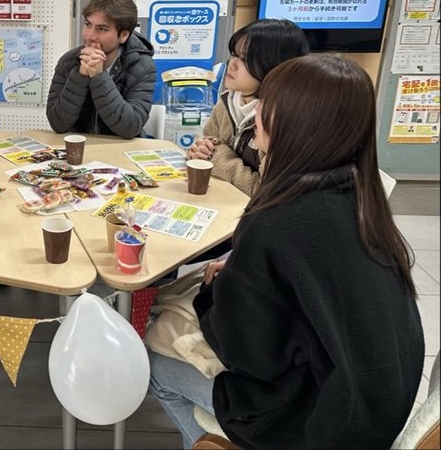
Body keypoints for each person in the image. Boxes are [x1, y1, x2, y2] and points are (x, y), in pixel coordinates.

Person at [148, 54, 425, 449]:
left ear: (295, 122)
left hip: (322, 424)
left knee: (157, 366)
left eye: (267, 102)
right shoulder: (363, 198)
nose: (257, 110)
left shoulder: (277, 218)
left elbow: (247, 355)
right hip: (379, 405)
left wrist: (215, 292)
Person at [187, 18, 309, 197]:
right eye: (233, 55)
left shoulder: (281, 119)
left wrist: (218, 157)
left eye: (244, 59)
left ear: (274, 66)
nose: (232, 64)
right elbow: (207, 147)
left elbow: (265, 192)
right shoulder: (228, 101)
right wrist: (200, 150)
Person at [46, 0, 155, 139]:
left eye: (102, 29)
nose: (90, 36)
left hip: (120, 148)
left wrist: (99, 77)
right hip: (79, 146)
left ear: (123, 36)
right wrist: (80, 76)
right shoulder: (69, 61)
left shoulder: (141, 66)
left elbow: (130, 127)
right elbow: (58, 124)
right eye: (87, 24)